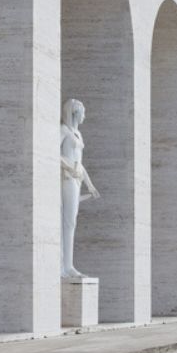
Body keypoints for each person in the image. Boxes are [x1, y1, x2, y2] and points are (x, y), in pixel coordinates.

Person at [61, 98, 100, 279]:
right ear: (76, 113)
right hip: (67, 179)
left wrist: (89, 185)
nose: (85, 116)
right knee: (68, 221)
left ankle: (68, 263)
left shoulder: (78, 134)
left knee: (72, 221)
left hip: (76, 180)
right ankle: (65, 265)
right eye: (83, 112)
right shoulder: (63, 131)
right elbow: (52, 152)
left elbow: (81, 164)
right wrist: (69, 166)